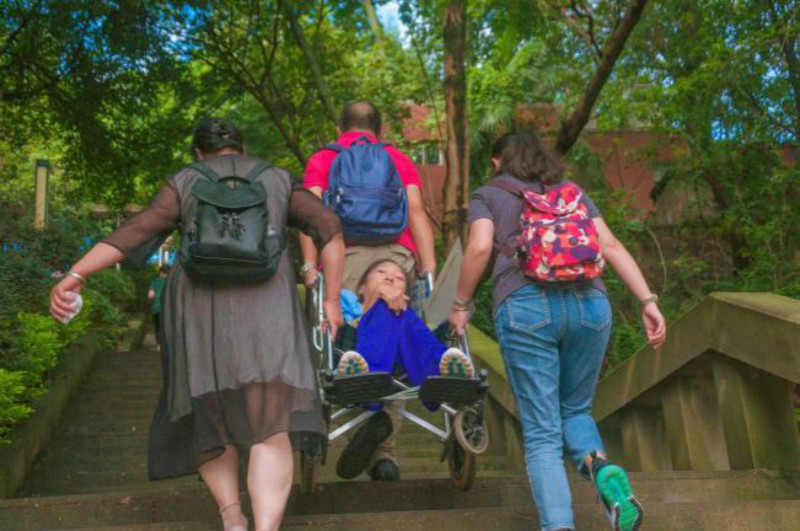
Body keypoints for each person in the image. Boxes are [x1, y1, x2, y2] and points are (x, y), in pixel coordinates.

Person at [50, 118, 345, 531]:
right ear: (242, 149)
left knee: (211, 418)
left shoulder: (186, 181)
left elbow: (136, 231)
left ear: (199, 154)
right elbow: (331, 230)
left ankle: (232, 518)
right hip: (268, 313)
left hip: (201, 317)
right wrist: (331, 300)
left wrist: (75, 274)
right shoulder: (278, 179)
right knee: (270, 428)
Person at [448, 131, 666, 531]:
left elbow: (479, 248)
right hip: (590, 306)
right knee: (575, 409)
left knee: (543, 433)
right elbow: (611, 245)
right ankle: (599, 469)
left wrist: (461, 304)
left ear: (497, 161)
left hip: (526, 306)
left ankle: (560, 526)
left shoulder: (489, 194)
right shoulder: (571, 191)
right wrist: (647, 301)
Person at [299, 101, 437, 481]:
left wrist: (311, 268)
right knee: (392, 336)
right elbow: (417, 211)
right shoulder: (396, 156)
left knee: (348, 342)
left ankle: (359, 412)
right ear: (378, 127)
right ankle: (385, 454)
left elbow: (310, 214)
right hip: (397, 256)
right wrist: (428, 268)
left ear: (340, 124)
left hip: (343, 257)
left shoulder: (324, 158)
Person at [148, 264, 169, 337]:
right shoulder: (171, 282)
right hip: (168, 309)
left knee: (158, 327)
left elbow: (150, 296)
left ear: (161, 272)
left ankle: (159, 345)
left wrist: (151, 302)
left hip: (156, 308)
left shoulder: (155, 282)